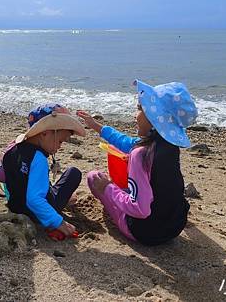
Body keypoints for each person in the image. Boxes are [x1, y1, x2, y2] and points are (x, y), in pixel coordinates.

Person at [78, 80, 198, 246]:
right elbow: (125, 142)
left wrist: (108, 188)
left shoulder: (140, 154)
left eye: (140, 109)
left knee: (94, 177)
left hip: (145, 232)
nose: (135, 115)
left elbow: (140, 209)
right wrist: (96, 126)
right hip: (175, 226)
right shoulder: (169, 145)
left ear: (154, 117)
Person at [0, 104, 85, 239]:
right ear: (45, 133)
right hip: (38, 212)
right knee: (73, 173)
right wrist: (59, 222)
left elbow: (5, 179)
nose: (59, 146)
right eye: (60, 141)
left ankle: (63, 199)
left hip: (15, 207)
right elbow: (34, 199)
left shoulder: (12, 150)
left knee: (34, 184)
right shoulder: (38, 158)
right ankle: (63, 203)